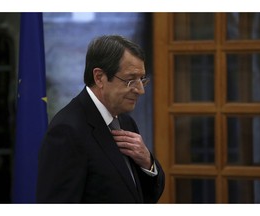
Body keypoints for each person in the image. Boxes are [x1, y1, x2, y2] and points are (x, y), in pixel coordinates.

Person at [36, 35, 165, 203]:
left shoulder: (126, 123)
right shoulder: (67, 131)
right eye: (130, 80)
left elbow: (143, 198)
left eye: (141, 80)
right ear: (99, 77)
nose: (140, 90)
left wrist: (147, 163)